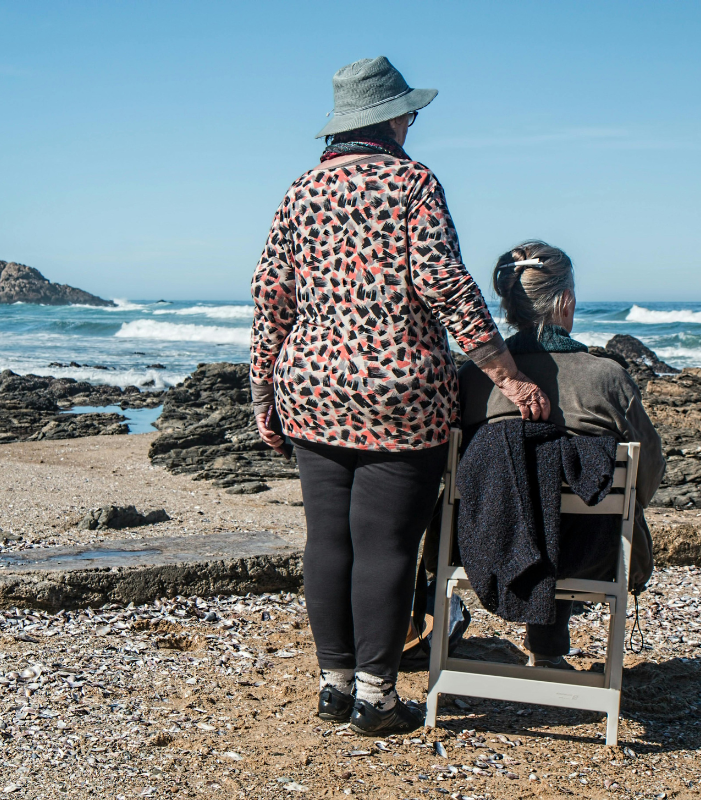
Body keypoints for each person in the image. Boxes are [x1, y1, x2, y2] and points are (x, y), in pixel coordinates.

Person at [250, 57, 551, 734]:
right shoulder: (413, 182)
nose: (413, 121)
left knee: (327, 539)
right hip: (400, 390)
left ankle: (333, 686)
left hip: (311, 384)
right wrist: (507, 374)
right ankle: (375, 698)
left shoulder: (301, 190)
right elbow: (446, 285)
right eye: (409, 112)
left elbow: (271, 297)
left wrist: (262, 392)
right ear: (389, 118)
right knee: (385, 543)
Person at [457, 240, 665, 668]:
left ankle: (538, 651)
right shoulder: (606, 377)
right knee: (572, 510)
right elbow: (648, 472)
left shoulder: (474, 379)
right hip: (589, 553)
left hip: (482, 546)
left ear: (510, 306)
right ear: (565, 301)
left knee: (527, 494)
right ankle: (549, 652)